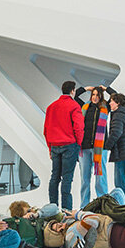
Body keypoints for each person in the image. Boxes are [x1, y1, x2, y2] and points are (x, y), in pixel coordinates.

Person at [44, 80, 84, 212]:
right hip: (69, 145)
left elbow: (46, 129)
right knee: (67, 178)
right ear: (73, 91)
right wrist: (78, 144)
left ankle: (52, 208)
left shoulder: (51, 107)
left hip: (55, 145)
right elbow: (79, 127)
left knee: (54, 176)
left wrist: (50, 148)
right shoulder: (74, 106)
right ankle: (66, 211)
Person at [75, 85, 113, 206]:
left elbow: (116, 97)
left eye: (97, 95)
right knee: (85, 179)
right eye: (93, 95)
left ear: (101, 96)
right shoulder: (85, 106)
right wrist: (86, 88)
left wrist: (106, 88)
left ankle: (103, 204)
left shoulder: (106, 107)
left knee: (100, 179)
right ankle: (84, 206)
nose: (95, 97)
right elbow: (74, 95)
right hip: (84, 148)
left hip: (100, 148)